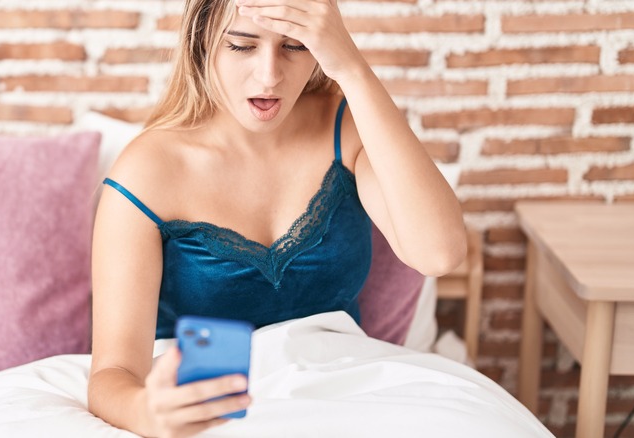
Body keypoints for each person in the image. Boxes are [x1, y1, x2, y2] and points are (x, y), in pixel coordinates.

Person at [88, 0, 467, 436]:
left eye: (294, 45)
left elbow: (439, 253)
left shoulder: (343, 126)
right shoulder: (146, 171)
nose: (269, 76)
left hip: (346, 399)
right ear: (201, 42)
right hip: (213, 407)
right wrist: (145, 412)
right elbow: (111, 373)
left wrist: (354, 70)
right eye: (242, 46)